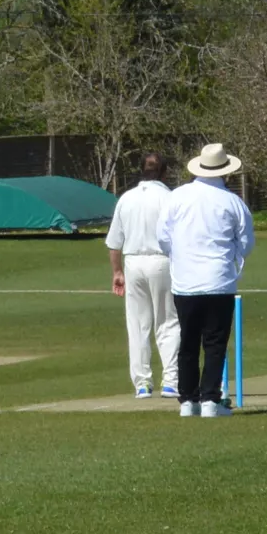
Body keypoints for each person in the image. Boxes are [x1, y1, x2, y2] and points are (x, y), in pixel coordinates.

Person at [160, 143, 255, 417]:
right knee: (214, 343)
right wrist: (230, 255)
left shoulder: (177, 197)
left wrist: (180, 256)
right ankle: (211, 401)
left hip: (185, 282)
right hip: (219, 281)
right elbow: (246, 243)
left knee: (188, 342)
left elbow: (163, 237)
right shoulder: (233, 201)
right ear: (226, 171)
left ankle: (188, 401)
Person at [106, 153, 183, 398]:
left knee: (138, 325)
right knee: (168, 321)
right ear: (165, 173)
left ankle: (142, 384)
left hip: (133, 263)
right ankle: (170, 381)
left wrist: (117, 271)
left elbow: (114, 243)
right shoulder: (170, 198)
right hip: (161, 261)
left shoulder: (126, 198)